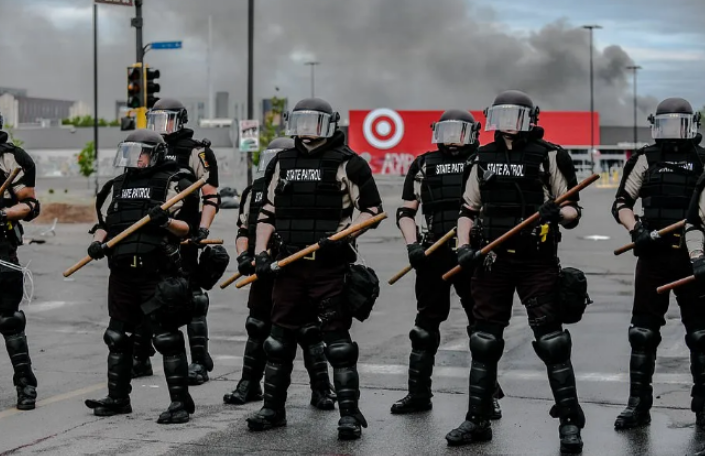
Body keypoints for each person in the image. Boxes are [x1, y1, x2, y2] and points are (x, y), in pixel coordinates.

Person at [446, 90, 584, 453]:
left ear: (530, 118)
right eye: (501, 115)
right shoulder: (481, 158)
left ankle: (570, 422)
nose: (507, 123)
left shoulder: (550, 155)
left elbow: (572, 210)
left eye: (515, 115)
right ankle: (477, 419)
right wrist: (463, 247)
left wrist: (559, 213)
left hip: (537, 260)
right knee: (484, 340)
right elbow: (467, 210)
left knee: (552, 341)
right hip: (492, 260)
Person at [245, 97, 383, 440]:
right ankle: (273, 410)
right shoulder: (281, 162)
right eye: (301, 122)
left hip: (330, 268)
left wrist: (345, 235)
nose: (307, 130)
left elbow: (373, 211)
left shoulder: (350, 163)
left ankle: (349, 415)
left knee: (337, 344)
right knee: (278, 343)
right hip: (288, 267)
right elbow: (267, 214)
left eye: (315, 123)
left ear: (329, 124)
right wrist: (261, 253)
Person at [391, 109, 504, 417]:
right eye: (447, 132)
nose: (453, 140)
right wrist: (412, 245)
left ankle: (486, 397)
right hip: (433, 253)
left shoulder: (485, 162)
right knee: (424, 327)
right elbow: (406, 212)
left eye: (460, 132)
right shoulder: (424, 164)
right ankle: (418, 395)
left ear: (474, 132)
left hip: (473, 253)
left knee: (481, 330)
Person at [85, 129, 200, 423]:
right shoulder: (118, 185)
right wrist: (98, 242)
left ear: (157, 154)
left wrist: (167, 221)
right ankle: (118, 398)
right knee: (117, 336)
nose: (135, 159)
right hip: (122, 275)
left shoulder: (172, 184)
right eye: (130, 153)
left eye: (142, 152)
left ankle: (180, 404)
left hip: (156, 274)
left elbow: (187, 229)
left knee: (166, 338)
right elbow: (106, 224)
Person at [223, 137, 335, 410]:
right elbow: (243, 231)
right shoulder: (255, 191)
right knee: (257, 327)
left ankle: (322, 389)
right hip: (263, 271)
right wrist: (244, 256)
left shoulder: (308, 189)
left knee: (309, 331)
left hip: (296, 270)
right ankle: (249, 384)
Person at [613, 97, 705, 429]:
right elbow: (622, 202)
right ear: (655, 126)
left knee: (701, 334)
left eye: (680, 125)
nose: (674, 133)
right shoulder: (645, 159)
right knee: (643, 332)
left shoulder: (703, 161)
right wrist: (635, 228)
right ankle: (638, 405)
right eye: (666, 125)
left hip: (694, 257)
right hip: (653, 255)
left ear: (692, 126)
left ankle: (703, 407)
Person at [135, 98, 221, 386]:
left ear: (181, 120)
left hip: (183, 233)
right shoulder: (144, 147)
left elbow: (210, 196)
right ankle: (141, 356)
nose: (162, 126)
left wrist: (203, 229)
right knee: (145, 294)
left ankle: (199, 361)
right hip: (151, 236)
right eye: (156, 119)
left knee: (192, 298)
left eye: (167, 120)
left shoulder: (196, 151)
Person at [0, 111, 41, 410]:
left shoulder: (11, 159)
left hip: (1, 247)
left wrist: (2, 213)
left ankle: (26, 386)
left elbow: (29, 204)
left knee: (9, 319)